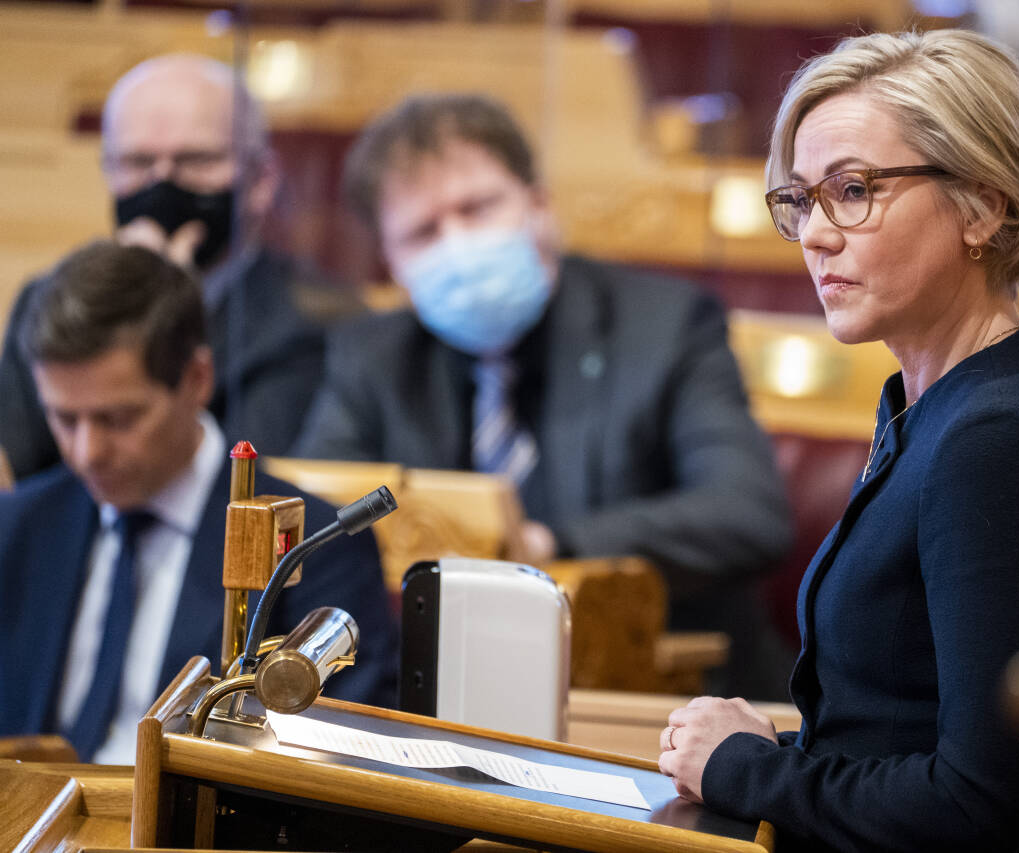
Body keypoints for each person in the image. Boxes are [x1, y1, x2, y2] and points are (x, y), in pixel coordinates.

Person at [658, 30, 1019, 851]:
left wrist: (745, 767)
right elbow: (889, 735)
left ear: (983, 205)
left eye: (853, 190)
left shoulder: (1003, 438)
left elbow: (979, 806)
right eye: (801, 200)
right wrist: (767, 753)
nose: (814, 233)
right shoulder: (935, 407)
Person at [292, 93, 793, 698]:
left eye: (477, 208)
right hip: (442, 692)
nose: (458, 245)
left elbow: (747, 514)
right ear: (392, 264)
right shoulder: (373, 356)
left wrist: (544, 544)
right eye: (424, 232)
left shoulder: (665, 326)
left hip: (655, 693)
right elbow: (315, 521)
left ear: (539, 204)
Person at [0, 242, 396, 764]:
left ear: (196, 380)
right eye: (64, 419)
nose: (87, 452)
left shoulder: (312, 546)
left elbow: (338, 769)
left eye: (118, 419)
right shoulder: (19, 526)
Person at [0, 54, 363, 481]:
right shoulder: (46, 301)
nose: (163, 183)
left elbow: (251, 491)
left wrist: (168, 306)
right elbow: (23, 482)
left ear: (262, 179)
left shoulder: (322, 320)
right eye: (137, 163)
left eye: (196, 160)